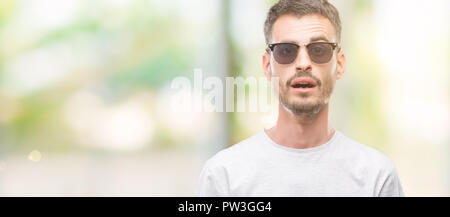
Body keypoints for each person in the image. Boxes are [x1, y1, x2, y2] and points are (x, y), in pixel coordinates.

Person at [197, 0, 404, 197]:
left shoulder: (377, 176)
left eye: (319, 50)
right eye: (286, 51)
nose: (303, 63)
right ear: (268, 66)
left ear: (339, 64)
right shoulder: (223, 176)